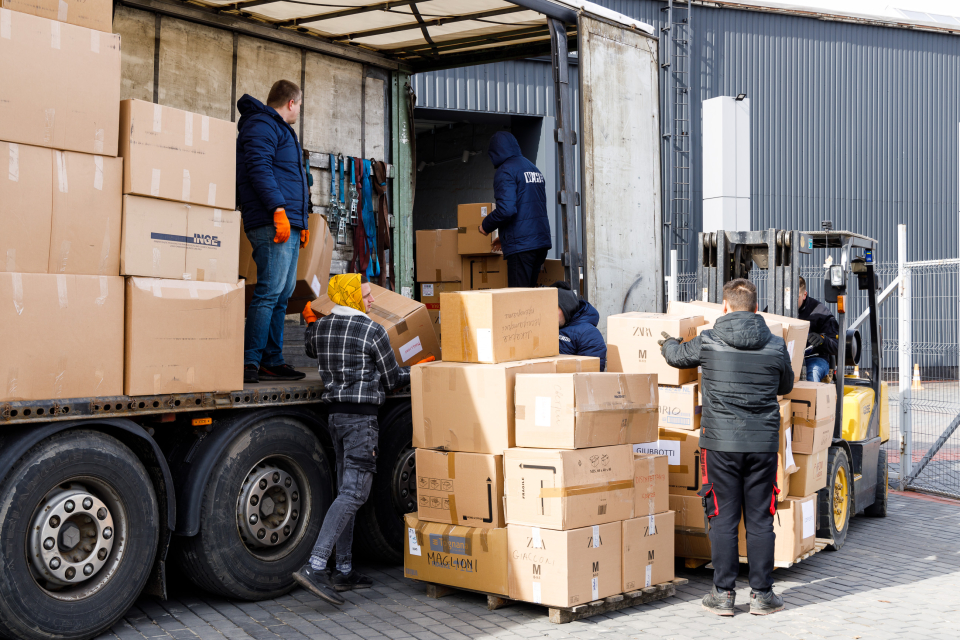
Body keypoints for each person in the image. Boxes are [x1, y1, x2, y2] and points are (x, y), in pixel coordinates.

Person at [659, 278, 793, 617]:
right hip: (762, 444)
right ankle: (762, 595)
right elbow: (787, 384)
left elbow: (676, 357)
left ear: (725, 306)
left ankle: (723, 594)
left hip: (720, 444)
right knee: (761, 518)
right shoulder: (776, 345)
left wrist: (668, 343)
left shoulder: (709, 339)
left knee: (723, 517)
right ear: (756, 308)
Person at [293, 274, 412, 605]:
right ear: (350, 298)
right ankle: (317, 566)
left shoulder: (322, 328)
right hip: (361, 420)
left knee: (346, 491)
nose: (371, 301)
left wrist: (310, 321)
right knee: (354, 493)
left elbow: (308, 347)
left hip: (336, 418)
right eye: (366, 296)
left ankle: (344, 569)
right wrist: (420, 370)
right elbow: (391, 379)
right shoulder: (372, 330)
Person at [237, 79, 310, 384]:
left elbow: (295, 179)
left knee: (283, 294)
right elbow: (259, 168)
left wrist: (302, 221)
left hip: (288, 221)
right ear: (291, 103)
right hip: (272, 220)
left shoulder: (282, 131)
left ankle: (272, 360)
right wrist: (279, 209)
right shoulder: (261, 125)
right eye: (300, 104)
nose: (299, 110)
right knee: (269, 291)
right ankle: (251, 361)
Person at [477, 131, 552, 287]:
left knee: (519, 300)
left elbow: (507, 209)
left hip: (522, 246)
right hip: (539, 242)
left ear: (495, 152)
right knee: (530, 295)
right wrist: (504, 237)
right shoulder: (532, 168)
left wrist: (486, 225)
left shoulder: (505, 171)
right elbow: (529, 208)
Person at [552, 281, 607, 370]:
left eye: (555, 308)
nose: (550, 313)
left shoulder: (588, 333)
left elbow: (592, 372)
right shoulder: (543, 328)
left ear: (567, 308)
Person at [797, 276, 840, 382]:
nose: (790, 301)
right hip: (782, 357)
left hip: (813, 358)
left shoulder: (820, 311)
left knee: (811, 373)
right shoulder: (774, 308)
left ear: (804, 295)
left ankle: (810, 398)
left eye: (795, 297)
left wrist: (822, 340)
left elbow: (837, 345)